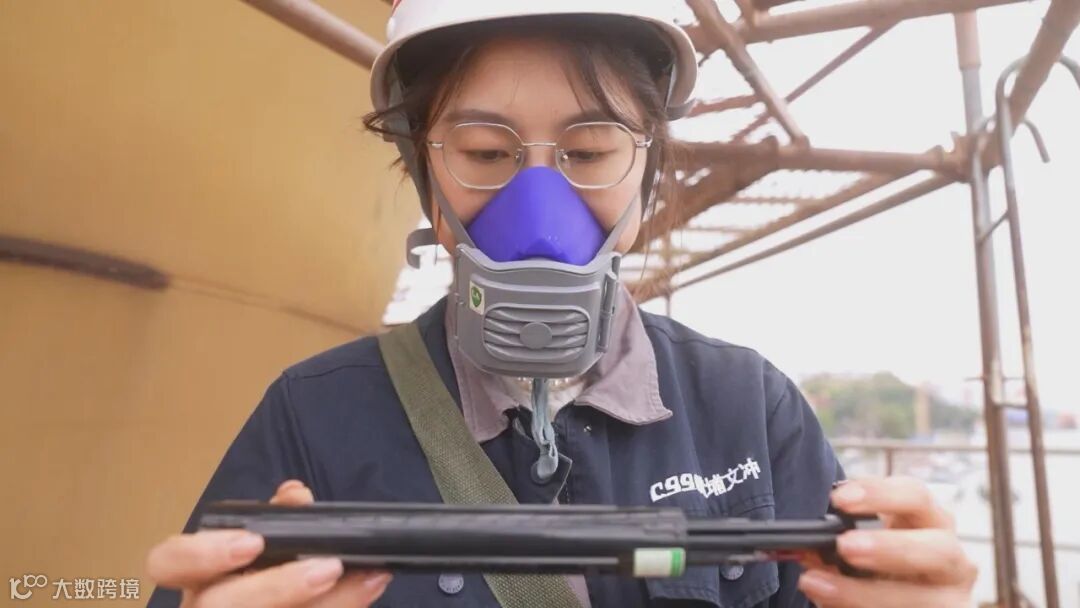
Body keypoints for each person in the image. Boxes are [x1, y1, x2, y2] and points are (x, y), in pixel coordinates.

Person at [144, 2, 978, 606]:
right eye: (483, 151)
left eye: (589, 150)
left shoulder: (748, 406)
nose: (540, 214)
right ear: (427, 182)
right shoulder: (314, 416)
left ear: (646, 181)